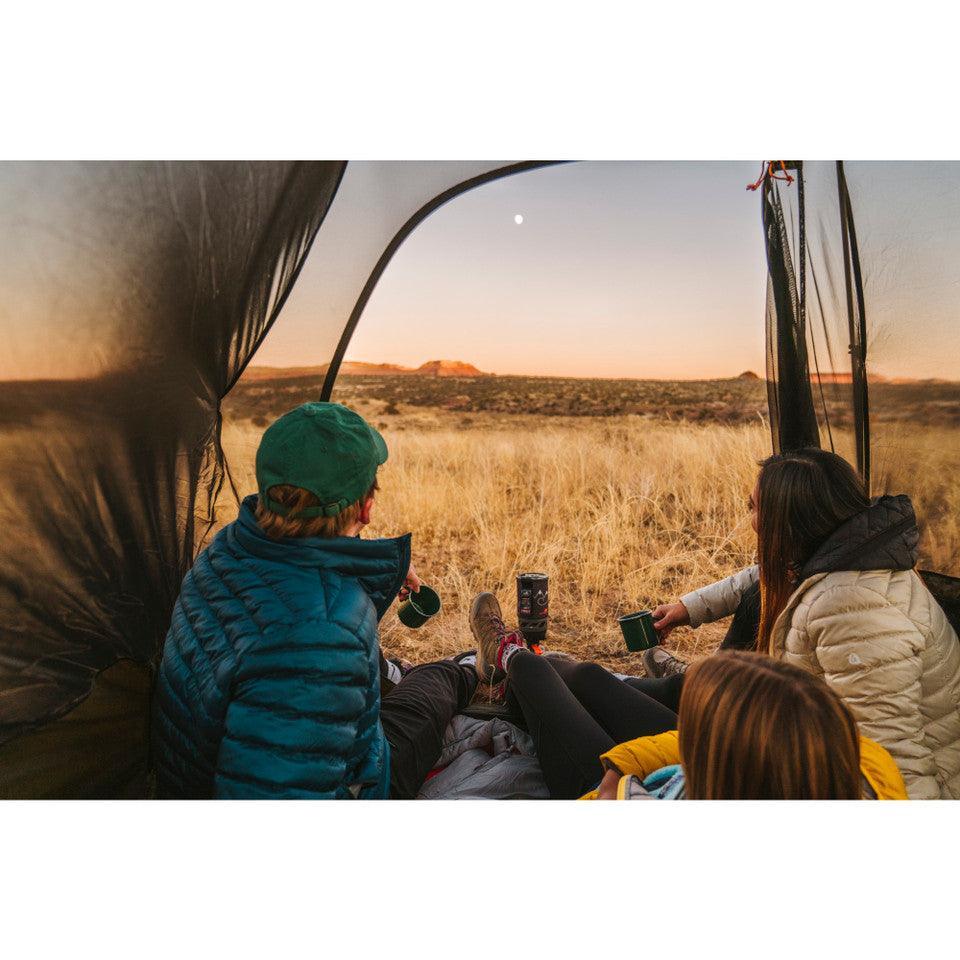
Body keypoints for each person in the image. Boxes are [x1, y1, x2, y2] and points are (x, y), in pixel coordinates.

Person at [151, 402, 477, 799]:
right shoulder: (318, 635)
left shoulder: (228, 549)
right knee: (431, 686)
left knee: (387, 678)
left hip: (193, 769)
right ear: (366, 509)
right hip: (363, 780)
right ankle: (471, 671)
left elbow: (290, 598)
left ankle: (400, 674)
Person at [646, 448, 960, 800]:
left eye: (754, 507)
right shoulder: (847, 556)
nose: (750, 518)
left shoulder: (852, 608)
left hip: (819, 772)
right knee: (595, 686)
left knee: (588, 689)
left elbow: (894, 758)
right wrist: (688, 608)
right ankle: (679, 687)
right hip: (804, 749)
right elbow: (760, 574)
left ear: (788, 521)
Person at [585, 651, 907, 800]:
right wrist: (623, 763)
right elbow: (695, 738)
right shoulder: (852, 755)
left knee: (548, 673)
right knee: (582, 676)